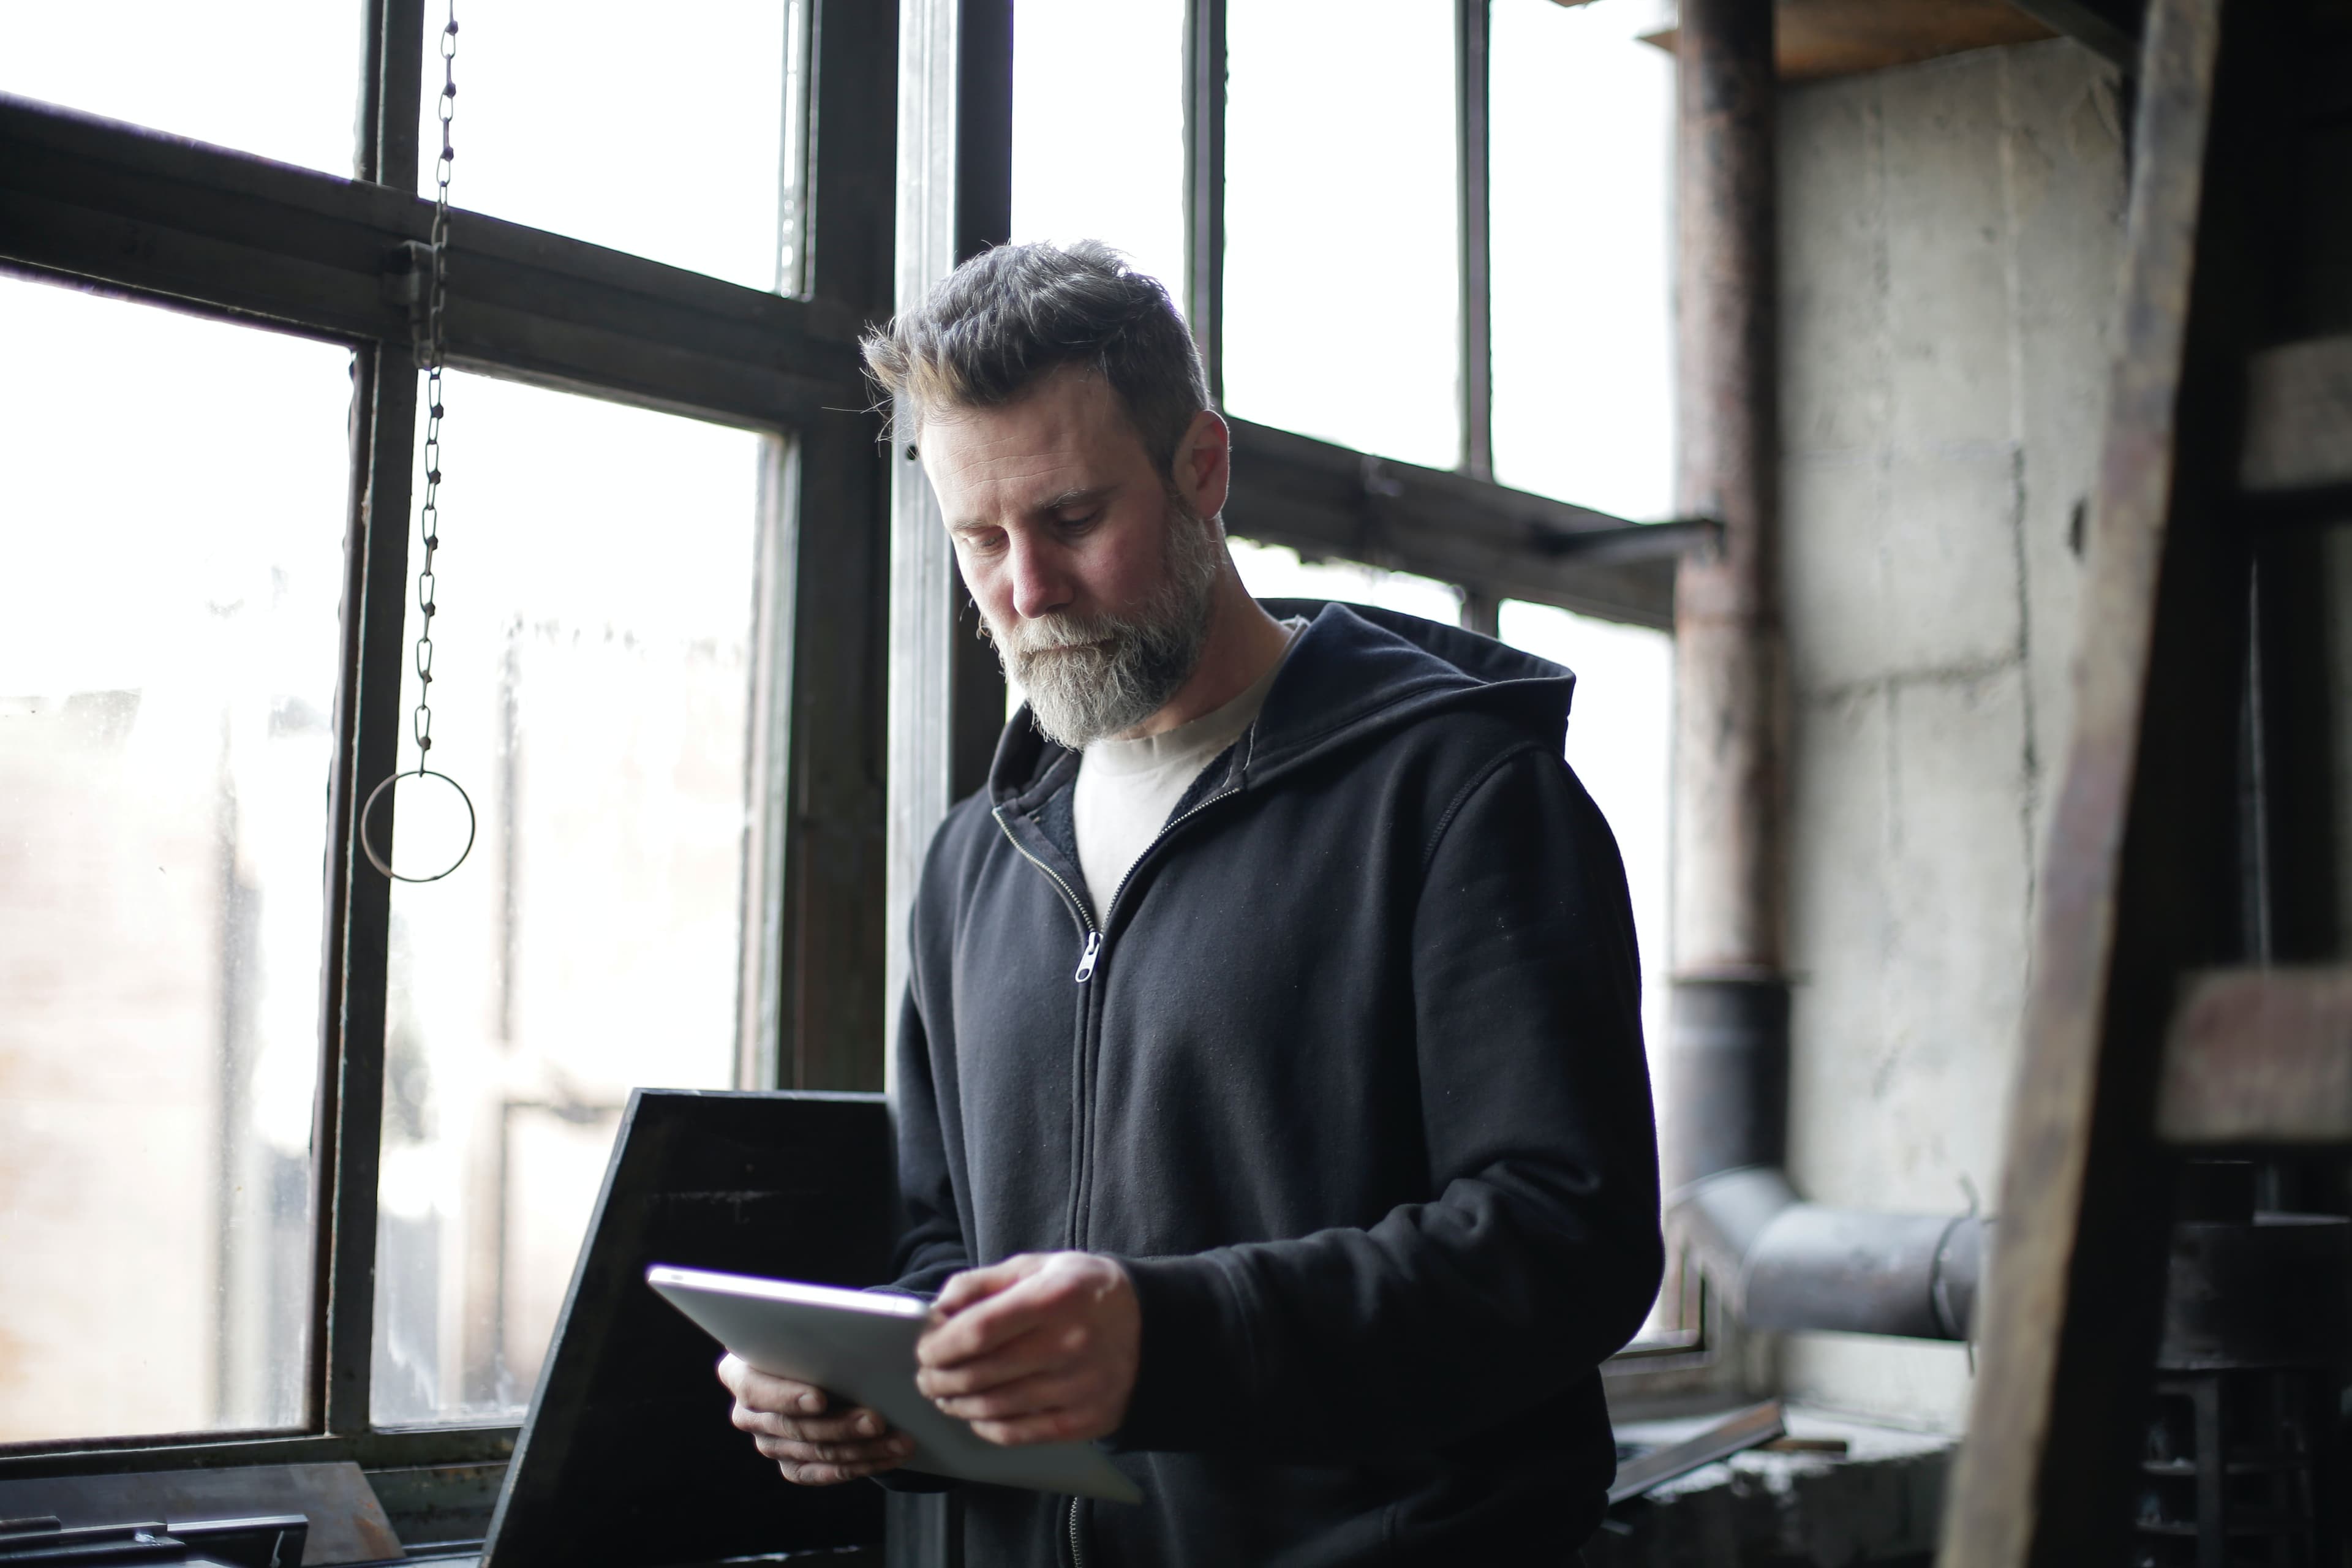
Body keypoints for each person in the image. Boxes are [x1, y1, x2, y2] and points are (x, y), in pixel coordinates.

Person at [717, 239, 1663, 1566]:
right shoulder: (970, 863)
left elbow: (1569, 1244)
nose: (1027, 593)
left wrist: (1163, 1336)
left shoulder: (1464, 795)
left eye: (1071, 519)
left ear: (1203, 468)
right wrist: (878, 1376)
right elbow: (951, 1242)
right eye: (980, 539)